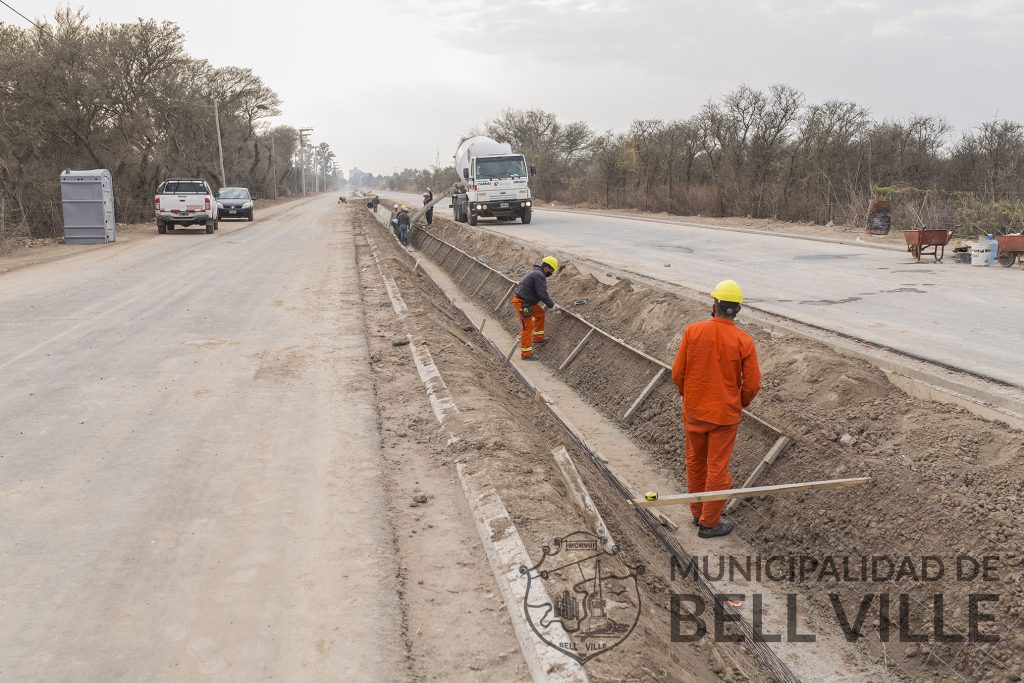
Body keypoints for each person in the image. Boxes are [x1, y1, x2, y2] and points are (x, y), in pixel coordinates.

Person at [671, 279, 761, 539]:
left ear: (714, 305)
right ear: (738, 310)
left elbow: (678, 372)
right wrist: (739, 402)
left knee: (695, 463)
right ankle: (709, 523)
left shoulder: (693, 331)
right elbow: (753, 383)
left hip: (695, 411)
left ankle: (698, 513)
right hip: (724, 416)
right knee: (717, 469)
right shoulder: (744, 341)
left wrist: (688, 395)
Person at [511, 256, 559, 360]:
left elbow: (540, 292)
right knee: (527, 328)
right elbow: (542, 293)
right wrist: (552, 305)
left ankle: (537, 338)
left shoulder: (537, 273)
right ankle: (526, 354)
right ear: (547, 267)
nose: (552, 273)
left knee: (540, 313)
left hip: (527, 302)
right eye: (552, 270)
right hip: (522, 303)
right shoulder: (539, 275)